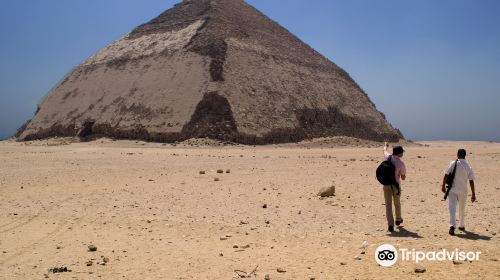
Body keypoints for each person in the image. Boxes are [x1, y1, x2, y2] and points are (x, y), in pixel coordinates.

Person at [441, 149, 476, 235]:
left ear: (457, 154)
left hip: (452, 190)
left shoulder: (453, 163)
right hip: (463, 191)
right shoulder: (468, 166)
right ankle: (462, 225)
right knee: (462, 208)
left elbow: (446, 174)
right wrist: (473, 194)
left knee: (452, 208)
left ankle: (452, 226)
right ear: (465, 155)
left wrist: (442, 185)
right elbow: (471, 181)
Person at [383, 142, 406, 232]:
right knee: (397, 204)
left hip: (386, 185)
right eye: (402, 152)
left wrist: (386, 145)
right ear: (399, 153)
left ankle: (390, 225)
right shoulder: (401, 163)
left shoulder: (388, 157)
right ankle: (398, 219)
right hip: (396, 186)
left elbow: (384, 150)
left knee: (388, 205)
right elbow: (403, 177)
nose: (403, 154)